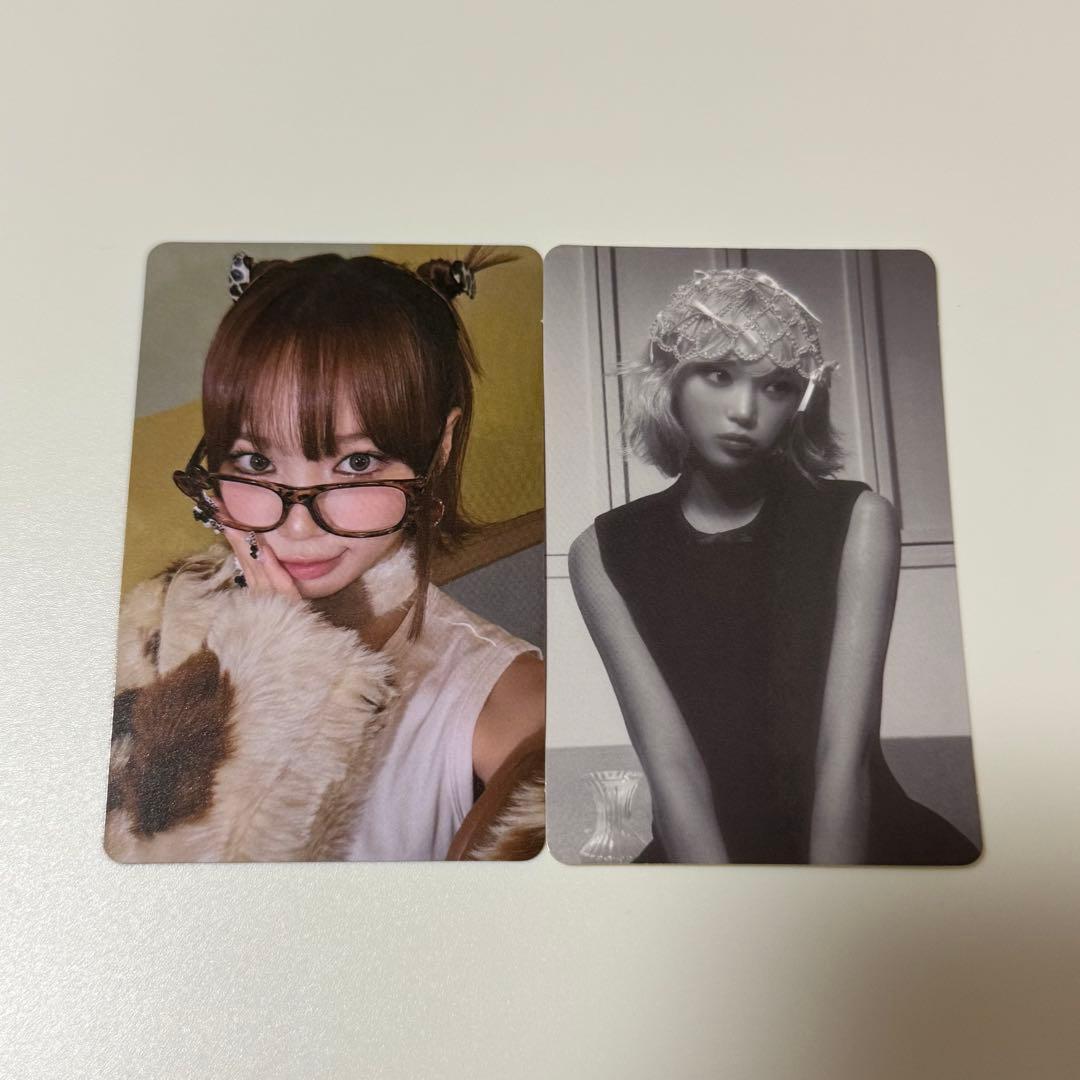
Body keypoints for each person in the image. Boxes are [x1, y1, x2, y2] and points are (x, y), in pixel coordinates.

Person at [105, 250, 545, 862]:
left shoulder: (503, 696)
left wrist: (283, 675)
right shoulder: (159, 616)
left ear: (439, 448)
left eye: (357, 463)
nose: (298, 524)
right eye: (257, 461)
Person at [569, 268, 979, 866]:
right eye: (719, 374)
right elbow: (672, 770)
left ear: (799, 403)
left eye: (777, 386)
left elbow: (843, 758)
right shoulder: (604, 549)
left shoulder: (858, 520)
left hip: (859, 849)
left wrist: (821, 907)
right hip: (701, 860)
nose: (744, 410)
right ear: (671, 381)